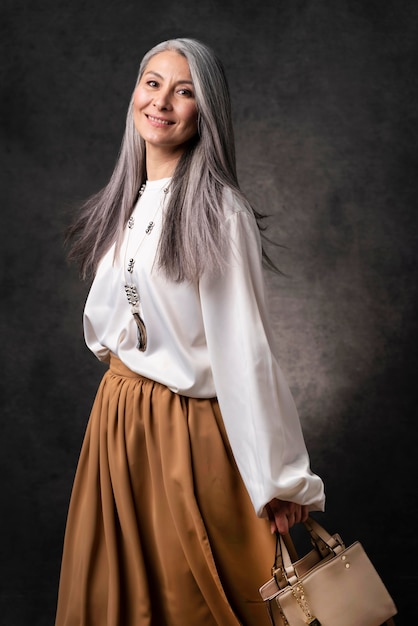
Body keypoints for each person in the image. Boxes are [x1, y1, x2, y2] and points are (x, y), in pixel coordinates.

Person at [55, 38, 325, 626]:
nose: (162, 102)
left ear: (207, 111)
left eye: (184, 91)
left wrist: (279, 481)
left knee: (190, 603)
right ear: (135, 94)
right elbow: (110, 324)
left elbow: (244, 353)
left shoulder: (218, 212)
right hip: (118, 423)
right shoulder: (129, 200)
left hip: (182, 434)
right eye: (152, 83)